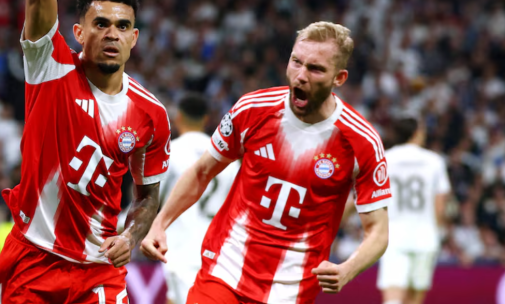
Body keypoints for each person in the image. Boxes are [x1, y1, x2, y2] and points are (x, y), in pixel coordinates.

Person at [0, 0, 171, 304]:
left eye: (123, 27)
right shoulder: (49, 66)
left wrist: (131, 235)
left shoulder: (150, 114)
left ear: (135, 38)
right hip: (32, 261)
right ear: (78, 32)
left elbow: (147, 197)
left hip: (98, 273)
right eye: (101, 23)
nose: (112, 33)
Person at [142, 21, 391, 304]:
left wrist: (348, 269)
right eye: (296, 62)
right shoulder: (253, 109)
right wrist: (160, 223)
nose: (301, 76)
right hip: (224, 270)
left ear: (340, 78)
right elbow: (202, 172)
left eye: (315, 69)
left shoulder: (362, 141)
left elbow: (378, 231)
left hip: (292, 289)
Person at [161, 93, 240, 304]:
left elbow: (152, 200)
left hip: (178, 247)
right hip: (215, 250)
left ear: (178, 117)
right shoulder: (229, 159)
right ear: (206, 119)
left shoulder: (171, 152)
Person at [377, 116, 450, 304]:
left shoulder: (385, 159)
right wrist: (439, 232)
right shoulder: (435, 161)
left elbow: (374, 197)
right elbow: (440, 205)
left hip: (393, 235)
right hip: (426, 236)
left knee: (393, 295)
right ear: (417, 133)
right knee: (414, 299)